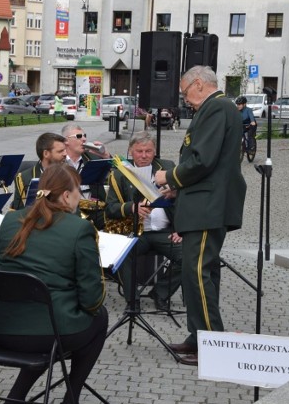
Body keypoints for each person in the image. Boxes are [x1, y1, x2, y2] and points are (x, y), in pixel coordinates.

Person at [0, 163, 107, 404]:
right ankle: (69, 403)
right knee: (98, 317)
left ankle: (14, 402)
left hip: (0, 328)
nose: (81, 198)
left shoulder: (10, 219)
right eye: (79, 192)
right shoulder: (79, 228)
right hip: (49, 333)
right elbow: (91, 297)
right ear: (66, 195)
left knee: (47, 320)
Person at [154, 65, 247, 367]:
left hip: (207, 208)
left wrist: (168, 177)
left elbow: (202, 160)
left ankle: (210, 345)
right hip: (203, 203)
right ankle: (200, 337)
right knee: (201, 274)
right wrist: (177, 190)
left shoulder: (217, 107)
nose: (185, 100)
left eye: (185, 93)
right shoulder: (218, 108)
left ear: (198, 84)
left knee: (196, 274)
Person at [105, 131, 181, 311]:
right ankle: (133, 300)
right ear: (131, 151)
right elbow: (111, 208)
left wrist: (181, 229)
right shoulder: (119, 173)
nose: (144, 155)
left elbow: (183, 200)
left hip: (165, 231)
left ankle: (160, 293)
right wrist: (133, 208)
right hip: (136, 232)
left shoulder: (167, 167)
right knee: (123, 255)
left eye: (148, 151)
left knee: (191, 256)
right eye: (139, 151)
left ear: (155, 151)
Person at [62, 123, 110, 230]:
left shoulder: (93, 158)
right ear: (66, 141)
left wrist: (106, 156)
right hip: (69, 211)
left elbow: (115, 176)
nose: (84, 139)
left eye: (85, 136)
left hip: (95, 210)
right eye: (79, 136)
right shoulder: (58, 161)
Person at [11, 132, 67, 210]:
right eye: (60, 151)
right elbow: (19, 211)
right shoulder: (23, 178)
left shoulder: (69, 173)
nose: (65, 154)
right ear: (46, 154)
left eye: (65, 150)